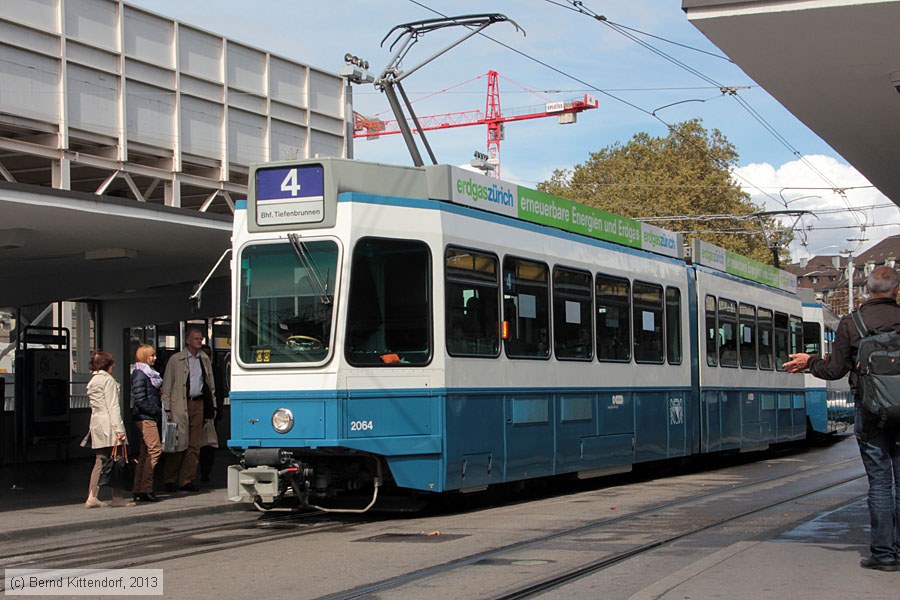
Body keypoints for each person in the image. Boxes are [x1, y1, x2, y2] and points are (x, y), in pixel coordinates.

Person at [783, 266, 900, 571]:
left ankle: (885, 554)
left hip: (872, 412)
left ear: (867, 291)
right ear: (896, 291)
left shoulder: (853, 323)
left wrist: (810, 362)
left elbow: (834, 370)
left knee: (879, 483)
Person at [161, 327, 216, 492]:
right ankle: (170, 479)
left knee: (194, 445)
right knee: (178, 444)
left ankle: (187, 480)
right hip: (180, 405)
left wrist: (212, 406)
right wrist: (168, 408)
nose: (199, 341)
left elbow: (210, 385)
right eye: (196, 338)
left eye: (201, 338)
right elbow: (167, 385)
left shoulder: (204, 359)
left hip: (198, 403)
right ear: (188, 341)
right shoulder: (176, 359)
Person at [81, 351, 133, 508]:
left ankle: (92, 496)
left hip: (97, 423)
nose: (114, 365)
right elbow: (113, 406)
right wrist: (119, 430)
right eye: (112, 363)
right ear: (106, 365)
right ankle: (117, 497)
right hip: (110, 424)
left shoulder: (93, 381)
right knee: (118, 459)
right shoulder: (108, 381)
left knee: (100, 460)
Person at [131, 344, 162, 502]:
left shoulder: (145, 374)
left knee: (145, 453)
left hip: (146, 416)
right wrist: (155, 411)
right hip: (146, 417)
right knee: (155, 450)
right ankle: (146, 488)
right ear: (144, 356)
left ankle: (139, 488)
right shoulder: (141, 374)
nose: (155, 358)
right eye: (151, 355)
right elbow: (140, 399)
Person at [198, 344, 220, 482]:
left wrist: (217, 410)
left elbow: (219, 390)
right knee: (197, 444)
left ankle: (205, 472)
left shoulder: (215, 370)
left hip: (211, 411)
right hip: (198, 408)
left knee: (210, 445)